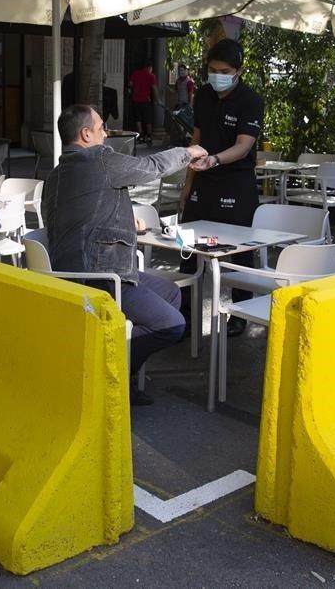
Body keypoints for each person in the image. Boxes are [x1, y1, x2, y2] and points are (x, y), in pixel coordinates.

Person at [44, 104, 210, 405]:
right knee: (172, 324)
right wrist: (189, 152)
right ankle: (107, 376)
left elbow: (81, 216)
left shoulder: (55, 176)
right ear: (86, 134)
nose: (106, 134)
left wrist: (123, 222)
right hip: (101, 274)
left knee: (171, 292)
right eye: (101, 128)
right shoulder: (98, 159)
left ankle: (125, 378)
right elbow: (150, 167)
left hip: (68, 272)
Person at [179, 39, 265, 337]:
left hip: (236, 184)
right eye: (213, 70)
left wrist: (214, 159)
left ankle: (241, 313)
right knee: (187, 249)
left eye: (225, 70)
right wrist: (187, 184)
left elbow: (243, 147)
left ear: (239, 71)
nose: (218, 75)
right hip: (203, 181)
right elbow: (197, 137)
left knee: (240, 252)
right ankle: (185, 315)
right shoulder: (202, 95)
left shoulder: (250, 100)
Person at [127, 63, 158, 140]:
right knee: (148, 119)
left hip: (136, 99)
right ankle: (149, 135)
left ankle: (140, 134)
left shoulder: (135, 74)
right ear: (150, 68)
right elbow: (154, 89)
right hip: (146, 100)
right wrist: (156, 99)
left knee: (138, 118)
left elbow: (130, 84)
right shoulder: (151, 76)